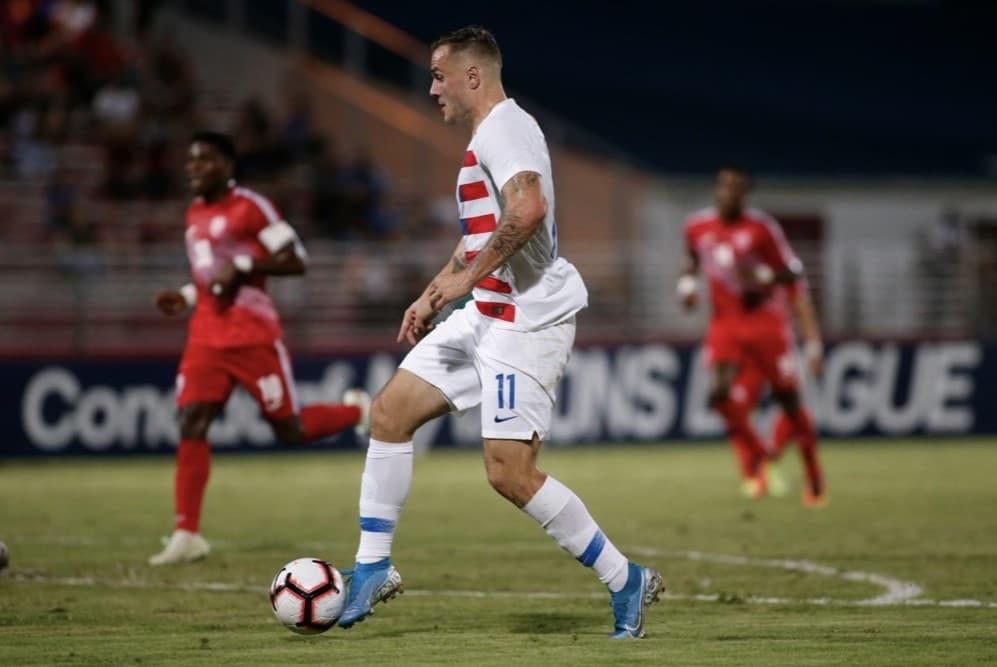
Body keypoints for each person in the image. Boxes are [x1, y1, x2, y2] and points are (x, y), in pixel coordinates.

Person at [335, 26, 663, 639]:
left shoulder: (508, 128)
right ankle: (372, 567)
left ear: (474, 76)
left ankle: (626, 580)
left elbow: (527, 211)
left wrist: (464, 284)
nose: (433, 88)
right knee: (389, 414)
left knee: (508, 472)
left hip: (526, 322)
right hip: (485, 312)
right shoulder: (486, 141)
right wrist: (434, 293)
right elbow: (484, 234)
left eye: (439, 75)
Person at [148, 131, 370, 566]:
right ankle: (186, 532)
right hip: (206, 335)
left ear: (227, 166)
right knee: (192, 420)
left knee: (288, 428)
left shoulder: (252, 208)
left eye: (205, 160)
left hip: (251, 334)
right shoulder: (193, 213)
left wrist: (247, 264)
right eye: (191, 161)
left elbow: (296, 258)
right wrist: (186, 297)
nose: (194, 168)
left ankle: (356, 411)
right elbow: (209, 277)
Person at [679, 166, 828, 507]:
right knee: (717, 395)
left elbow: (793, 273)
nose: (728, 192)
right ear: (717, 188)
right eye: (724, 185)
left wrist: (761, 274)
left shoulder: (762, 229)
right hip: (726, 324)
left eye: (736, 188)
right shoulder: (697, 226)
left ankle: (814, 474)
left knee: (788, 401)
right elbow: (691, 260)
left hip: (766, 323)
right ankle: (763, 456)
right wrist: (686, 286)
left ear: (745, 194)